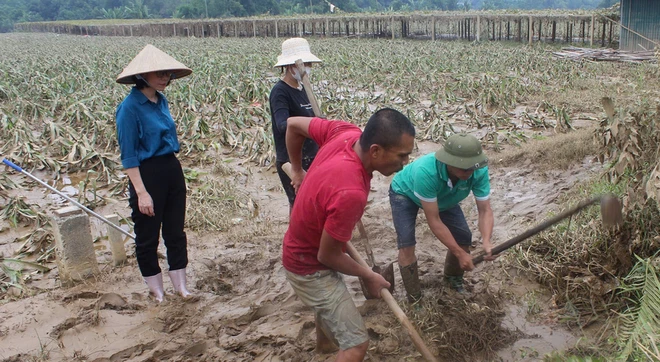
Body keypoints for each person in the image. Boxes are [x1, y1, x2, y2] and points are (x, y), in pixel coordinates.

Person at [283, 109, 415, 362]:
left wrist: (298, 169)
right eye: (402, 155)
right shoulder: (350, 191)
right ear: (375, 150)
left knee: (331, 304)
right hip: (308, 267)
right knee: (356, 345)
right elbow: (328, 255)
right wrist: (369, 275)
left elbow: (293, 125)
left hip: (302, 245)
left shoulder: (345, 133)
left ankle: (325, 347)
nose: (405, 163)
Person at [115, 44, 193, 302]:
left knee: (175, 231)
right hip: (146, 174)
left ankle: (181, 287)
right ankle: (157, 291)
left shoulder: (161, 101)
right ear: (142, 76)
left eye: (167, 74)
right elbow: (128, 156)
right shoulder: (129, 108)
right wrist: (142, 193)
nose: (165, 78)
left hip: (171, 168)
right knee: (147, 236)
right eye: (159, 74)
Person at [389, 133, 495, 301]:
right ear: (448, 162)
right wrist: (460, 254)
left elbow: (485, 210)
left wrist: (487, 241)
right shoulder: (426, 171)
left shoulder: (478, 170)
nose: (469, 172)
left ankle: (453, 281)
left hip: (444, 196)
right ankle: (414, 297)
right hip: (405, 192)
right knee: (407, 244)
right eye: (463, 168)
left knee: (463, 237)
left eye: (471, 168)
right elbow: (434, 220)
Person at [269, 37, 322, 210]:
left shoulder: (303, 89)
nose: (309, 68)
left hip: (312, 156)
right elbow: (282, 125)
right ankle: (295, 237)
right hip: (291, 160)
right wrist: (311, 125)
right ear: (292, 66)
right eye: (305, 64)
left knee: (316, 203)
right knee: (300, 205)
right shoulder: (280, 92)